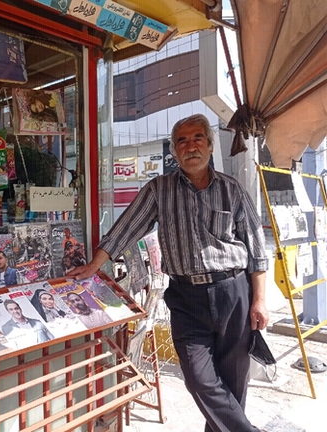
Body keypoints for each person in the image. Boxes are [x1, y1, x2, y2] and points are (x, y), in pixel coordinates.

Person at [69, 114, 269, 432]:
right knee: (198, 379)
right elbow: (125, 229)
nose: (191, 146)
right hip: (186, 298)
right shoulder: (158, 190)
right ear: (174, 151)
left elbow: (257, 251)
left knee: (232, 385)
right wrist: (93, 267)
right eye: (182, 141)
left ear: (210, 145)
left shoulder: (233, 190)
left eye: (198, 138)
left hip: (233, 293)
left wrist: (259, 300)